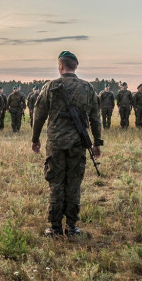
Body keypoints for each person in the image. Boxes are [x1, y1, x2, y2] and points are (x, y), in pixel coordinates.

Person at [31, 50, 102, 237]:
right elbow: (96, 118)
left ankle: (55, 228)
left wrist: (35, 139)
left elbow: (38, 116)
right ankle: (72, 226)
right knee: (73, 184)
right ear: (75, 66)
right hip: (78, 144)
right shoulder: (87, 88)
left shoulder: (50, 87)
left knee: (56, 183)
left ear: (61, 66)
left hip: (56, 144)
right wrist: (97, 142)